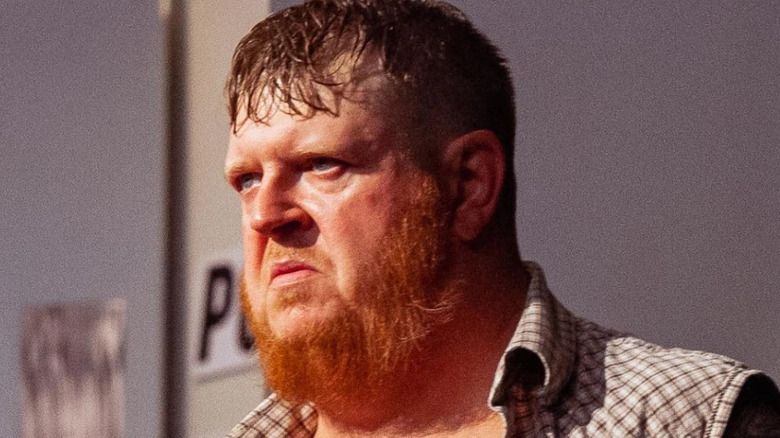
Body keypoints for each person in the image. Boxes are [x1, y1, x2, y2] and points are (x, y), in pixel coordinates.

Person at [222, 1, 780, 436]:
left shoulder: (690, 421)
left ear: (469, 185)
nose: (267, 215)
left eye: (323, 164)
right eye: (247, 179)